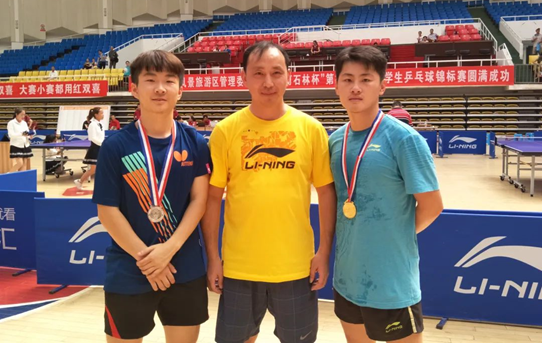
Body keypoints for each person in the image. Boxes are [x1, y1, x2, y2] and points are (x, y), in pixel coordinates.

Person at [201, 41, 336, 343]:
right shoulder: (225, 131)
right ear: (244, 77)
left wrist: (324, 252)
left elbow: (326, 194)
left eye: (276, 72)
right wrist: (213, 257)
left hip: (296, 267)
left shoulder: (311, 129)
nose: (268, 82)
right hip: (239, 267)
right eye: (258, 73)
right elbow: (212, 198)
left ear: (289, 76)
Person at [92, 49, 211, 342]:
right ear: (134, 89)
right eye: (150, 80)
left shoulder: (195, 142)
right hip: (129, 268)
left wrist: (169, 249)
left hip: (184, 266)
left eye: (169, 80)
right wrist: (148, 261)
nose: (160, 88)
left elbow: (200, 200)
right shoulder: (115, 146)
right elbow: (107, 211)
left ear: (180, 91)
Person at [329, 46, 443, 343]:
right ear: (336, 86)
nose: (355, 87)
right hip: (348, 279)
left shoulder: (404, 139)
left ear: (382, 86)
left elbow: (432, 205)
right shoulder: (335, 141)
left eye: (366, 79)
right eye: (347, 79)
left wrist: (394, 234)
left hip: (392, 283)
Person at [74, 107, 105, 190]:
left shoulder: (100, 124)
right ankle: (80, 181)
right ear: (96, 114)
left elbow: (101, 137)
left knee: (101, 168)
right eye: (101, 113)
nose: (103, 115)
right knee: (93, 170)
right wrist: (102, 144)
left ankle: (81, 181)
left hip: (101, 148)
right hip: (95, 149)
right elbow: (92, 138)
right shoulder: (92, 125)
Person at [7, 108, 33, 173]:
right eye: (21, 115)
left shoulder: (24, 123)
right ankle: (7, 175)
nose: (23, 116)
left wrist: (29, 136)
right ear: (16, 114)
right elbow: (11, 135)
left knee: (24, 164)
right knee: (20, 163)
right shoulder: (11, 123)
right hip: (16, 145)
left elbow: (26, 133)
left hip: (25, 145)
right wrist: (21, 134)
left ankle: (21, 178)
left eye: (24, 115)